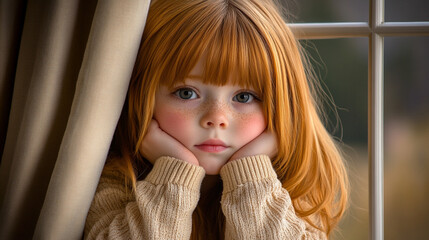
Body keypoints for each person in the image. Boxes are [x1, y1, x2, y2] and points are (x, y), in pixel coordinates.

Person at [84, 0, 349, 239]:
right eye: (186, 93)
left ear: (281, 106)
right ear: (142, 96)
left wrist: (251, 182)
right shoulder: (113, 185)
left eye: (244, 97)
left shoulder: (293, 192)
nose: (217, 118)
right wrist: (173, 178)